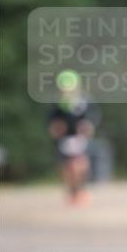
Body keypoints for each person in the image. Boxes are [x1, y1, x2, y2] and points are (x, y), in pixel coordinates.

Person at [47, 78, 99, 206]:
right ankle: (71, 192)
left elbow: (92, 117)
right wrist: (55, 127)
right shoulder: (58, 103)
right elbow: (52, 121)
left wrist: (88, 126)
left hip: (80, 138)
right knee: (67, 168)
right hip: (64, 139)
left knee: (80, 165)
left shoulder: (84, 101)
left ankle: (81, 191)